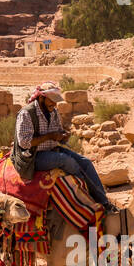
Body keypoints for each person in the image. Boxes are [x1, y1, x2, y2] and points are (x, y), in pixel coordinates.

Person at [12, 83, 115, 212]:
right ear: (41, 98)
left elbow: (57, 132)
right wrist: (49, 136)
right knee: (66, 160)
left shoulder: (53, 112)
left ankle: (104, 202)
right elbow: (24, 142)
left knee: (86, 162)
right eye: (51, 101)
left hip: (51, 150)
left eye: (56, 102)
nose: (54, 104)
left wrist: (63, 136)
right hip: (32, 156)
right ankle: (86, 192)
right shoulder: (27, 113)